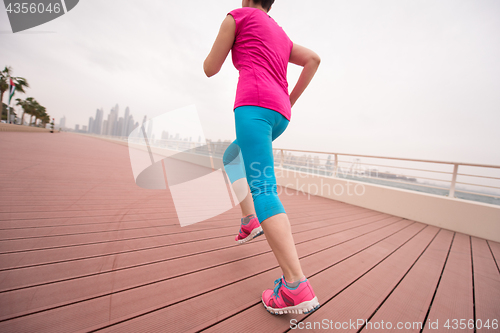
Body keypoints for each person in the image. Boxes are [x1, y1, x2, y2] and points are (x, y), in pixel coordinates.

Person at [204, 0, 321, 315]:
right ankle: (248, 221)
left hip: (253, 107)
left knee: (264, 188)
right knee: (232, 156)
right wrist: (289, 99)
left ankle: (295, 286)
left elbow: (209, 68)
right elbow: (313, 59)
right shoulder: (280, 34)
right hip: (278, 114)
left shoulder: (238, 16)